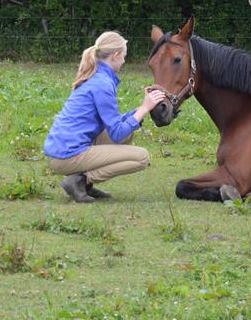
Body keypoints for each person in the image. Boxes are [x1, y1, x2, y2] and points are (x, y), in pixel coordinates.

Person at [43, 31, 168, 203]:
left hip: (63, 148)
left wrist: (141, 108)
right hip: (66, 156)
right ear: (115, 55)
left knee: (129, 133)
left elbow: (116, 125)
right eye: (124, 56)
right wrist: (145, 108)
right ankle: (80, 180)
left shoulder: (97, 76)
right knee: (142, 157)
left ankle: (84, 184)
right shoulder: (102, 84)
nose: (124, 61)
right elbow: (117, 133)